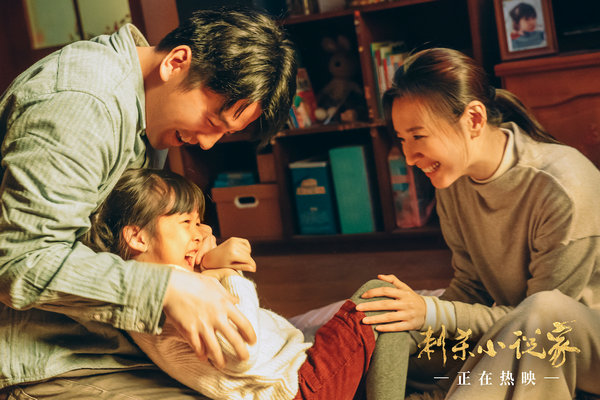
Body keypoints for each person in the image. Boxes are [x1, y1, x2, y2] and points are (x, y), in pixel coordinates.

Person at [0, 7, 297, 398]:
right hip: (44, 359)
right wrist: (166, 289)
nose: (207, 143)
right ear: (176, 63)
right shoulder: (83, 104)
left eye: (223, 134)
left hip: (106, 340)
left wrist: (193, 261)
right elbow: (21, 261)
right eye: (211, 121)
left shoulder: (145, 106)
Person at [354, 47, 600, 399]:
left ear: (473, 119)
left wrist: (431, 312)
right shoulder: (454, 181)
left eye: (418, 136)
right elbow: (471, 287)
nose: (408, 157)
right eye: (402, 139)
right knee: (386, 325)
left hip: (573, 344)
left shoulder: (562, 187)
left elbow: (538, 324)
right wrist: (412, 324)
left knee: (543, 311)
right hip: (516, 337)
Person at [82, 167, 404, 400]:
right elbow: (243, 350)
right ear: (137, 237)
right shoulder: (176, 295)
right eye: (186, 222)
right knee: (379, 297)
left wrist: (209, 273)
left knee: (395, 330)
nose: (202, 233)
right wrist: (225, 273)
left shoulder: (154, 288)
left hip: (294, 375)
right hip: (298, 388)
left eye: (199, 221)